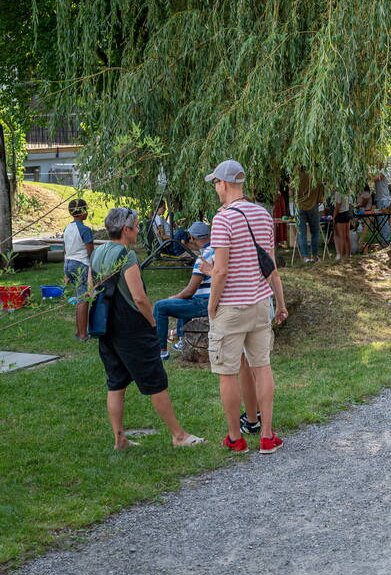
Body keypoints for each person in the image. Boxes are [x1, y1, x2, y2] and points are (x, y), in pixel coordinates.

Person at [90, 208, 205, 450]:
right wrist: (152, 322)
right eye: (137, 226)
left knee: (116, 383)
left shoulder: (98, 252)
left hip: (107, 327)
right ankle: (179, 436)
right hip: (132, 328)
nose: (139, 230)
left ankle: (119, 438)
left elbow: (91, 291)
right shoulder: (126, 256)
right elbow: (139, 298)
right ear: (125, 230)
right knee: (155, 381)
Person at [206, 160, 289, 454]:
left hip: (231, 305)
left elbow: (221, 270)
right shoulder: (264, 215)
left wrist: (212, 306)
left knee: (227, 372)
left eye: (215, 183)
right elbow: (270, 266)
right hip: (259, 302)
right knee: (262, 366)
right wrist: (279, 302)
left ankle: (235, 437)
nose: (215, 189)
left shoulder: (223, 220)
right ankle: (266, 435)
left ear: (225, 184)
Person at [152, 222, 214, 360]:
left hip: (205, 303)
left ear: (192, 237)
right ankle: (181, 339)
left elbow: (190, 291)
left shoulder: (203, 258)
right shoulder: (216, 250)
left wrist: (174, 297)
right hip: (212, 300)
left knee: (160, 306)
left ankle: (161, 351)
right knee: (183, 301)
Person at [63, 199, 94, 341]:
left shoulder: (67, 228)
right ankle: (83, 335)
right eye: (86, 209)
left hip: (68, 263)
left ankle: (78, 331)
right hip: (81, 264)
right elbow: (90, 252)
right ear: (82, 212)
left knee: (78, 296)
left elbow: (66, 249)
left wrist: (66, 273)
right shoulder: (85, 230)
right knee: (83, 299)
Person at [294, 169, 324, 263]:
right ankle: (314, 256)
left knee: (301, 233)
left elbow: (291, 192)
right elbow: (321, 192)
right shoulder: (316, 175)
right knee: (315, 232)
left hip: (299, 206)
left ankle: (305, 257)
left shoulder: (297, 176)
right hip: (313, 206)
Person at [373, 170, 391, 244]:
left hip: (384, 199)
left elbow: (376, 178)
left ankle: (386, 239)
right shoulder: (376, 171)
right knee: (380, 221)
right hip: (379, 199)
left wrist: (366, 176)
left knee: (384, 221)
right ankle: (383, 239)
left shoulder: (384, 170)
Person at [331, 191, 352, 259]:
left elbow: (337, 207)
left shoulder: (338, 192)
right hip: (347, 212)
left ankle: (342, 255)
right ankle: (348, 254)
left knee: (341, 235)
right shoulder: (346, 190)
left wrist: (334, 217)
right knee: (347, 235)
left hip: (341, 214)